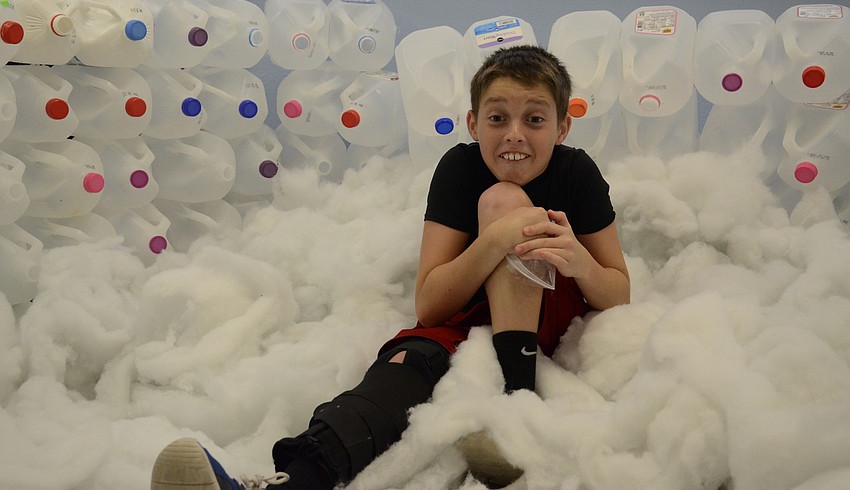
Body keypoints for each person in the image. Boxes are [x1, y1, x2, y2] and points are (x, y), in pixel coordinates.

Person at [150, 44, 631, 490]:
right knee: (402, 369)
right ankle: (292, 482)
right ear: (472, 122)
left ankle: (515, 406)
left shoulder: (576, 173)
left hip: (542, 321)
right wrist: (496, 240)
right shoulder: (460, 169)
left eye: (535, 120)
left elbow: (617, 294)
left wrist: (581, 262)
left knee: (506, 200)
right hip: (466, 321)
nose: (514, 135)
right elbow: (431, 303)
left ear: (562, 128)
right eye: (498, 117)